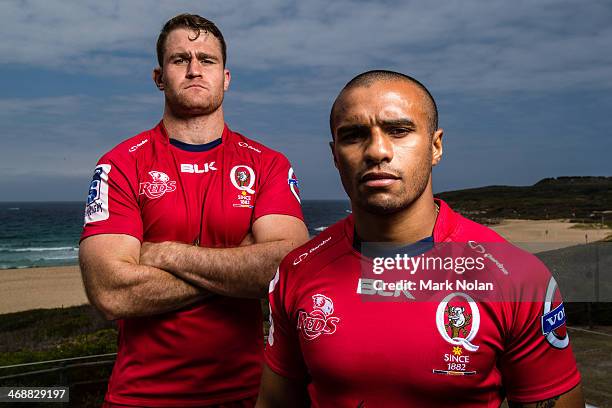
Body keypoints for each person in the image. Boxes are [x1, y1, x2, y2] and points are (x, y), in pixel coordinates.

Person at [257, 70, 583, 407]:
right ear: (335, 154)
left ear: (436, 146)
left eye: (399, 131)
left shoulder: (518, 277)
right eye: (354, 135)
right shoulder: (297, 270)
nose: (377, 151)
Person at [79, 13, 308, 407]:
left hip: (250, 394)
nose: (194, 70)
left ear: (226, 78)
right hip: (141, 397)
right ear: (159, 77)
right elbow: (111, 292)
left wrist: (164, 253)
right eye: (180, 59)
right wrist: (240, 264)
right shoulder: (119, 164)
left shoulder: (269, 164)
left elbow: (285, 269)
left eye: (207, 59)